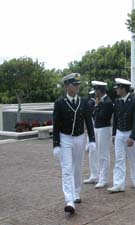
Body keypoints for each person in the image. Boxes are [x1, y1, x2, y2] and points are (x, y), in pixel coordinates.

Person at [53, 73, 96, 214]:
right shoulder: (59, 103)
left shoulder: (84, 102)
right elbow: (56, 125)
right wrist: (56, 144)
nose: (77, 87)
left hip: (79, 138)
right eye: (74, 84)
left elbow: (89, 122)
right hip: (65, 138)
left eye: (78, 84)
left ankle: (76, 192)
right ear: (67, 86)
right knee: (67, 169)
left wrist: (92, 140)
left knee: (77, 167)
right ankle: (69, 200)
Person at [107, 78, 135, 193]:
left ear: (123, 89)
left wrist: (133, 136)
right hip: (119, 133)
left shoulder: (134, 101)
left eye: (118, 88)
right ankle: (118, 184)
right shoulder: (117, 101)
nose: (116, 90)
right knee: (119, 159)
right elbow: (116, 118)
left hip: (130, 132)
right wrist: (114, 133)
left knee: (133, 158)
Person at [84, 81, 114, 189]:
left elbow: (102, 116)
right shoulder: (98, 101)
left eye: (96, 90)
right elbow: (92, 114)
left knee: (103, 154)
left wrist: (97, 105)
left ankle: (103, 179)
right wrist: (96, 106)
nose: (95, 92)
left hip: (104, 129)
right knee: (93, 152)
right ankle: (94, 175)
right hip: (96, 128)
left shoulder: (107, 102)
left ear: (100, 91)